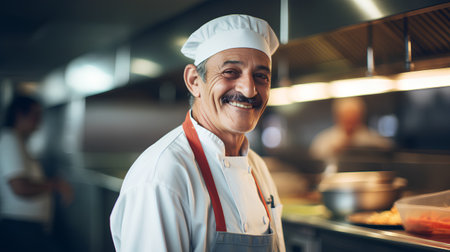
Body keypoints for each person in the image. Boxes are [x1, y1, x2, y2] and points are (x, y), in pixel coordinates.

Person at [110, 14, 285, 251]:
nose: (249, 89)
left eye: (261, 76)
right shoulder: (162, 175)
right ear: (194, 81)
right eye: (231, 72)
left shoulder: (257, 168)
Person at [0, 95, 73, 252]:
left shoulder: (19, 141)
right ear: (20, 114)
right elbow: (20, 187)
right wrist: (55, 184)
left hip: (26, 228)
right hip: (20, 228)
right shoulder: (9, 140)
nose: (39, 121)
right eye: (35, 115)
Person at [309, 97, 394, 172]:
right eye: (346, 117)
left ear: (360, 116)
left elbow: (387, 149)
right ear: (337, 116)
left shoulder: (372, 138)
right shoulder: (324, 139)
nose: (349, 121)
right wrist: (335, 149)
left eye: (353, 117)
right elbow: (315, 159)